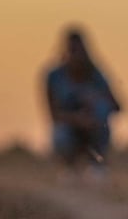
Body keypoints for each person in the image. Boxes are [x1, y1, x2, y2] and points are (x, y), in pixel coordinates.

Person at [45, 28, 121, 171]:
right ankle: (68, 168)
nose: (77, 56)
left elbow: (118, 106)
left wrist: (94, 100)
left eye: (80, 51)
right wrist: (78, 119)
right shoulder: (54, 77)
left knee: (102, 107)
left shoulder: (96, 75)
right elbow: (52, 115)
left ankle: (97, 165)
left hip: (94, 129)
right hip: (68, 130)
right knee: (61, 134)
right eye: (73, 51)